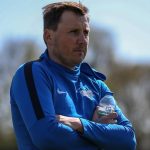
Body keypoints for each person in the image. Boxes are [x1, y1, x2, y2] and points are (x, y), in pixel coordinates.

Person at [10, 1, 136, 150]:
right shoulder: (34, 73)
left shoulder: (97, 86)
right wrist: (101, 137)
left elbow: (127, 139)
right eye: (74, 32)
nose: (83, 40)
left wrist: (79, 124)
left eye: (86, 32)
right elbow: (47, 137)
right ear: (49, 36)